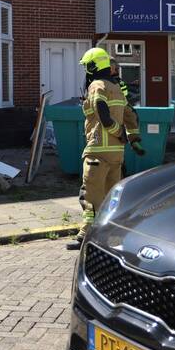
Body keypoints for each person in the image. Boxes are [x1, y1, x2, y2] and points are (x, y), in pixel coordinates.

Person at [68, 48, 127, 250]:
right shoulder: (116, 87)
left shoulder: (97, 85)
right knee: (112, 198)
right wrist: (122, 134)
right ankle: (110, 237)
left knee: (91, 195)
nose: (86, 70)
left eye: (87, 66)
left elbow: (102, 112)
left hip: (98, 152)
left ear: (93, 66)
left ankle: (85, 235)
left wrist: (115, 129)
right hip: (116, 153)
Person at [110, 58, 145, 158]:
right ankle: (134, 140)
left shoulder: (101, 83)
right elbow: (125, 95)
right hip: (121, 105)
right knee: (131, 117)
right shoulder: (119, 81)